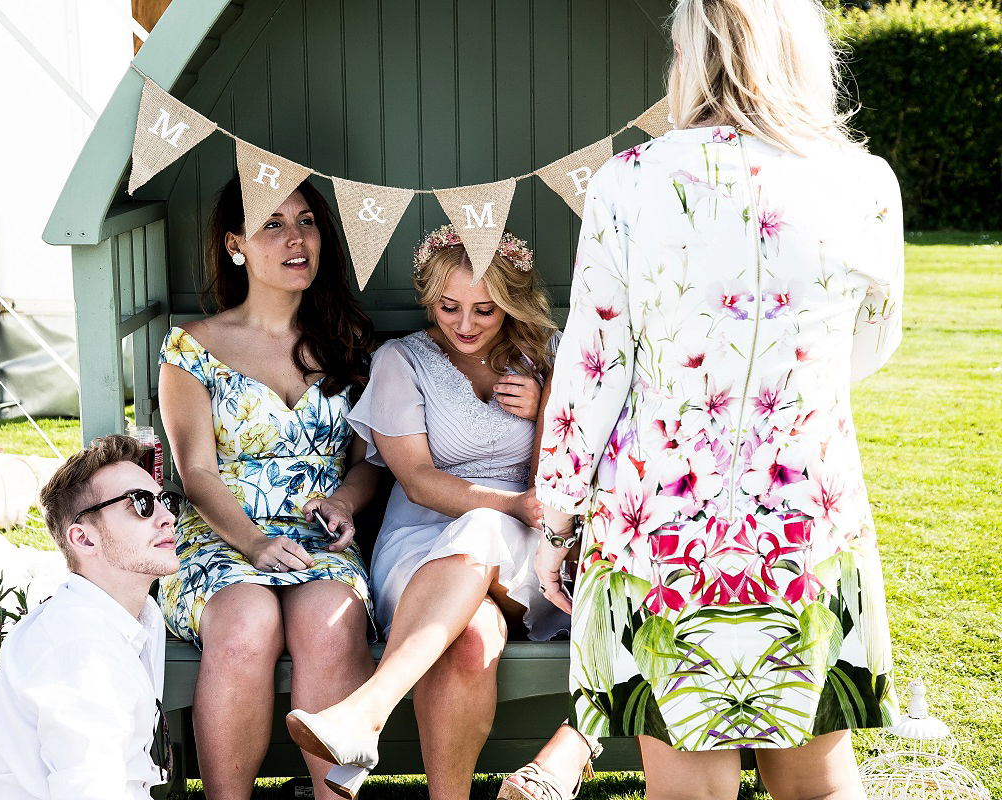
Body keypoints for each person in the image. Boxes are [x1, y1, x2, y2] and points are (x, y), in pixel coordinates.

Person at [502, 1, 905, 799]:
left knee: (690, 787)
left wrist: (554, 523)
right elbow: (872, 345)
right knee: (819, 778)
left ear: (696, 53)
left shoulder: (631, 180)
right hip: (807, 519)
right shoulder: (866, 181)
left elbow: (591, 374)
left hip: (666, 529)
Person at [286, 226, 573, 800]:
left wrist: (546, 411)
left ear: (511, 303)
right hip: (420, 544)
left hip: (528, 551)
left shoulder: (548, 352)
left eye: (485, 310)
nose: (465, 325)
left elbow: (562, 474)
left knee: (487, 528)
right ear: (428, 299)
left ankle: (365, 714)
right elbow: (417, 481)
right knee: (471, 635)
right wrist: (511, 502)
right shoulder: (401, 361)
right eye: (449, 307)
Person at [156, 176, 379, 800]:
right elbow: (195, 472)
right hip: (222, 536)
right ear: (236, 244)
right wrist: (252, 543)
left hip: (318, 540)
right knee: (247, 620)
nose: (295, 239)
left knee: (330, 624)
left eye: (306, 221)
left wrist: (343, 502)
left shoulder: (349, 340)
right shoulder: (194, 348)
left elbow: (369, 463)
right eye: (272, 225)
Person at [0, 434, 182, 799]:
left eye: (165, 501)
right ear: (84, 539)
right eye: (141, 504)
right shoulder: (80, 652)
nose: (167, 517)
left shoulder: (132, 619)